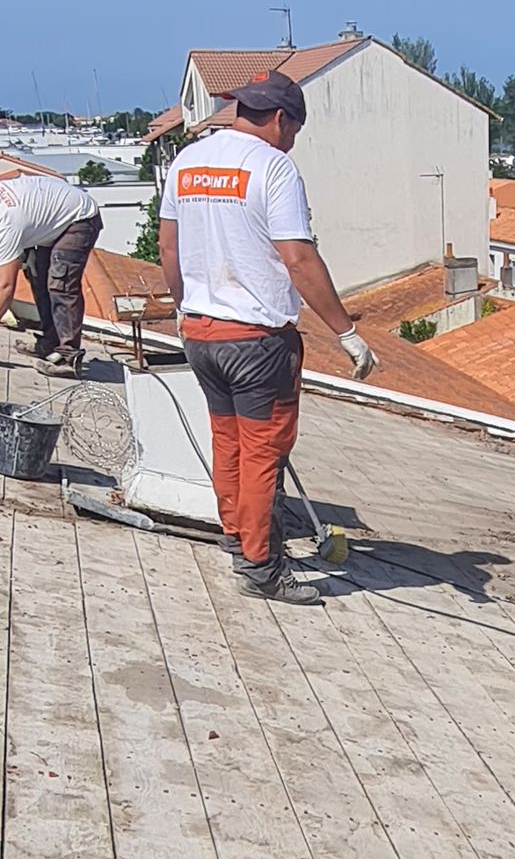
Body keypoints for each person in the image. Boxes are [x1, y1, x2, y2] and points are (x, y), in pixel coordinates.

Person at [158, 72, 376, 597]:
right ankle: (262, 568)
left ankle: (238, 538)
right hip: (256, 341)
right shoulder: (274, 168)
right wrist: (346, 333)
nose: (293, 139)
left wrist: (188, 305)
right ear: (281, 119)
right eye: (295, 128)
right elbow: (297, 258)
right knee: (262, 453)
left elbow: (169, 248)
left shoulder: (187, 161)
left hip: (201, 333)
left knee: (228, 443)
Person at [0, 170, 102, 372]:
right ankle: (50, 344)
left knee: (61, 284)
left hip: (80, 218)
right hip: (55, 216)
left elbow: (6, 286)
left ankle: (68, 357)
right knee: (38, 276)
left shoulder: (5, 224)